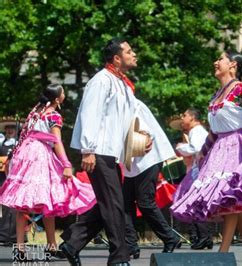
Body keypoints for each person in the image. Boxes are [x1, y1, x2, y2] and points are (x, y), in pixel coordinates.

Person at [171, 51, 242, 266]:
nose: (216, 62)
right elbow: (216, 131)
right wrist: (203, 152)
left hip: (240, 147)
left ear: (232, 65)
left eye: (221, 59)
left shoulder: (240, 90)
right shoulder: (217, 94)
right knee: (233, 204)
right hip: (221, 150)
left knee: (230, 201)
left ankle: (222, 255)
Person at [60, 38, 139, 266]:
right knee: (114, 203)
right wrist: (87, 150)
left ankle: (72, 243)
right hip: (97, 151)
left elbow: (125, 121)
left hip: (111, 153)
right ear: (116, 58)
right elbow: (90, 114)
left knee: (109, 202)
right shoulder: (101, 81)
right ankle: (118, 257)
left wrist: (137, 143)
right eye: (129, 51)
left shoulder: (122, 84)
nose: (134, 54)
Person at [0, 84, 96, 262]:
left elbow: (23, 138)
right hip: (40, 157)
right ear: (57, 98)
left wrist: (11, 160)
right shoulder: (53, 115)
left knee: (24, 204)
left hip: (24, 157)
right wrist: (66, 164)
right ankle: (50, 245)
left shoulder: (34, 113)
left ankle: (21, 249)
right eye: (63, 93)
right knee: (48, 199)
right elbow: (57, 141)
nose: (64, 95)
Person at [123, 99, 180, 259]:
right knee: (124, 203)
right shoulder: (116, 104)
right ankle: (130, 245)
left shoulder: (130, 103)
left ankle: (170, 238)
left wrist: (146, 136)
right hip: (132, 162)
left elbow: (145, 130)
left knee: (145, 202)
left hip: (149, 159)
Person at [174, 107, 213, 250]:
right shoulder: (197, 131)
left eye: (184, 115)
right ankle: (204, 237)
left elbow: (196, 148)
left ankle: (203, 237)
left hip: (199, 172)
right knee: (196, 203)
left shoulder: (196, 131)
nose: (182, 118)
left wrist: (180, 147)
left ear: (192, 117)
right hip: (200, 170)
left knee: (194, 203)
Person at [0, 117, 20, 244]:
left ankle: (15, 235)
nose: (10, 130)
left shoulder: (18, 143)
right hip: (1, 178)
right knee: (4, 208)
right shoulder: (1, 143)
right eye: (8, 128)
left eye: (12, 128)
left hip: (15, 178)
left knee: (15, 207)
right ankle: (2, 235)